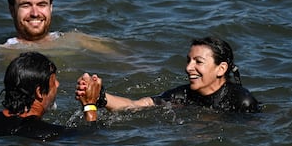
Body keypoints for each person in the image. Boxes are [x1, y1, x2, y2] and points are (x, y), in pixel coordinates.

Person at [75, 36, 261, 113]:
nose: (189, 68)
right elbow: (138, 104)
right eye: (188, 60)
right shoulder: (183, 95)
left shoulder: (242, 102)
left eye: (198, 62)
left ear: (221, 69)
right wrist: (100, 96)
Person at [0, 51, 102, 141]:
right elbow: (90, 138)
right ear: (40, 92)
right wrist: (90, 104)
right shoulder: (51, 134)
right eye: (54, 81)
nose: (58, 85)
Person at [0, 0, 116, 54]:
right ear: (12, 10)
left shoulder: (77, 40)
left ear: (50, 8)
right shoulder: (5, 52)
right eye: (26, 5)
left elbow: (127, 59)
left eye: (41, 5)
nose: (35, 13)